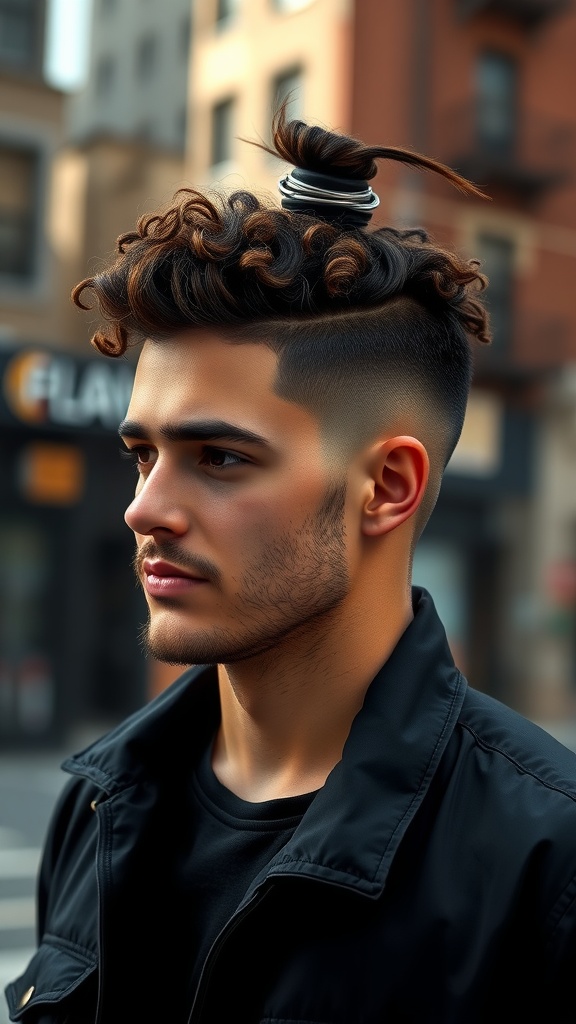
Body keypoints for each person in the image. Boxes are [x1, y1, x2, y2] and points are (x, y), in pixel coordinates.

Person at [6, 108, 576, 1024]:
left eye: (220, 459)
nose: (143, 508)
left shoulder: (546, 862)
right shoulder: (98, 808)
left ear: (387, 487)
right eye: (141, 454)